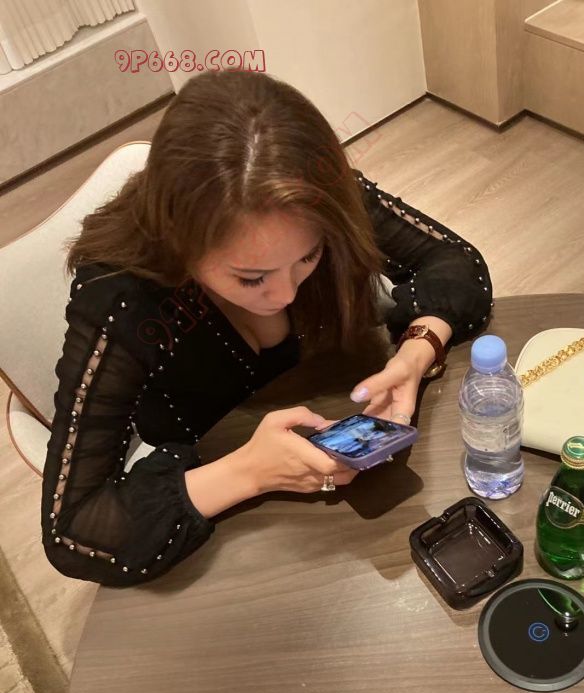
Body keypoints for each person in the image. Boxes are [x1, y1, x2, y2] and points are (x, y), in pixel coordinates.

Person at [41, 68, 493, 587]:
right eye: (251, 278)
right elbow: (73, 529)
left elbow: (458, 264)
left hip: (344, 431)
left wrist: (417, 350)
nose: (285, 296)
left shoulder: (315, 193)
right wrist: (250, 471)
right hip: (231, 520)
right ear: (180, 244)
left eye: (308, 257)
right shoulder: (122, 293)